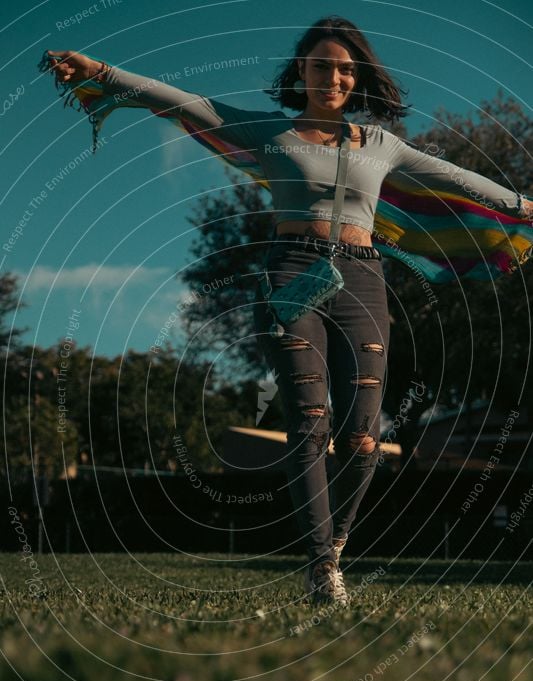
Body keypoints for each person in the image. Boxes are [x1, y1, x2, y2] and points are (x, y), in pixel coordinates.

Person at [44, 15, 532, 607]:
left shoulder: (380, 145)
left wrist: (524, 205)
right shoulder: (267, 131)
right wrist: (100, 72)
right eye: (322, 65)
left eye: (346, 69)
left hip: (363, 277)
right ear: (300, 70)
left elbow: (462, 180)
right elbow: (181, 101)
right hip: (291, 272)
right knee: (310, 420)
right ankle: (322, 565)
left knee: (362, 436)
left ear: (359, 78)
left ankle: (340, 541)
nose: (334, 76)